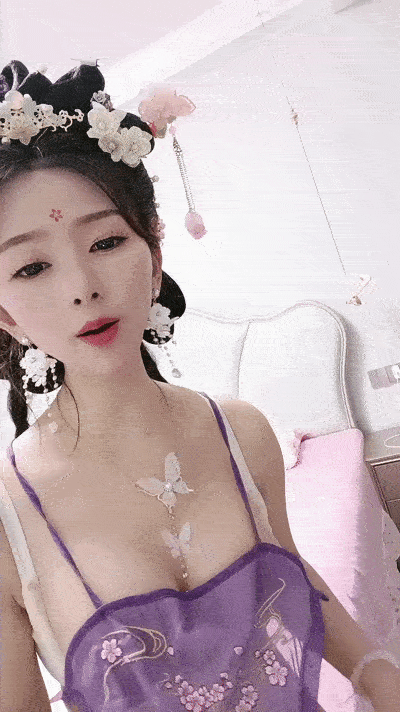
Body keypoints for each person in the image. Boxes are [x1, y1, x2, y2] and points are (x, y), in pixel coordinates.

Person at [0, 59, 398, 712]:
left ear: (154, 259)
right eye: (33, 266)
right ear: (6, 314)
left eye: (105, 242)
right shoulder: (9, 512)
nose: (82, 288)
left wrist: (378, 673)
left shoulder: (242, 432)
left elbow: (293, 570)